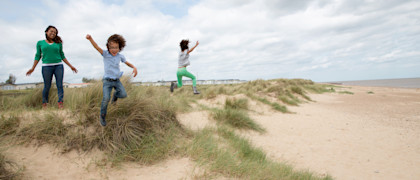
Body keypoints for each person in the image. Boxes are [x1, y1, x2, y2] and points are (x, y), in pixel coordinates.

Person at [86, 34, 138, 126]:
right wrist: (90, 39)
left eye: (116, 47)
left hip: (117, 80)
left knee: (123, 94)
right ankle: (102, 116)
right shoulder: (105, 54)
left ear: (120, 48)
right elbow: (96, 47)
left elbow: (127, 63)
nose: (114, 50)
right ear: (108, 47)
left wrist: (134, 67)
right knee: (106, 98)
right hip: (107, 81)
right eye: (112, 47)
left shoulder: (120, 56)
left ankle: (115, 96)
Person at [26, 25, 78, 109]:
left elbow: (62, 55)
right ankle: (44, 103)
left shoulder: (58, 43)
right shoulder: (40, 43)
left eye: (55, 32)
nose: (53, 33)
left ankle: (60, 103)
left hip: (58, 66)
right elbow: (37, 56)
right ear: (46, 32)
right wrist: (33, 68)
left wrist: (71, 66)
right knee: (47, 86)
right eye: (51, 31)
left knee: (59, 85)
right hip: (46, 67)